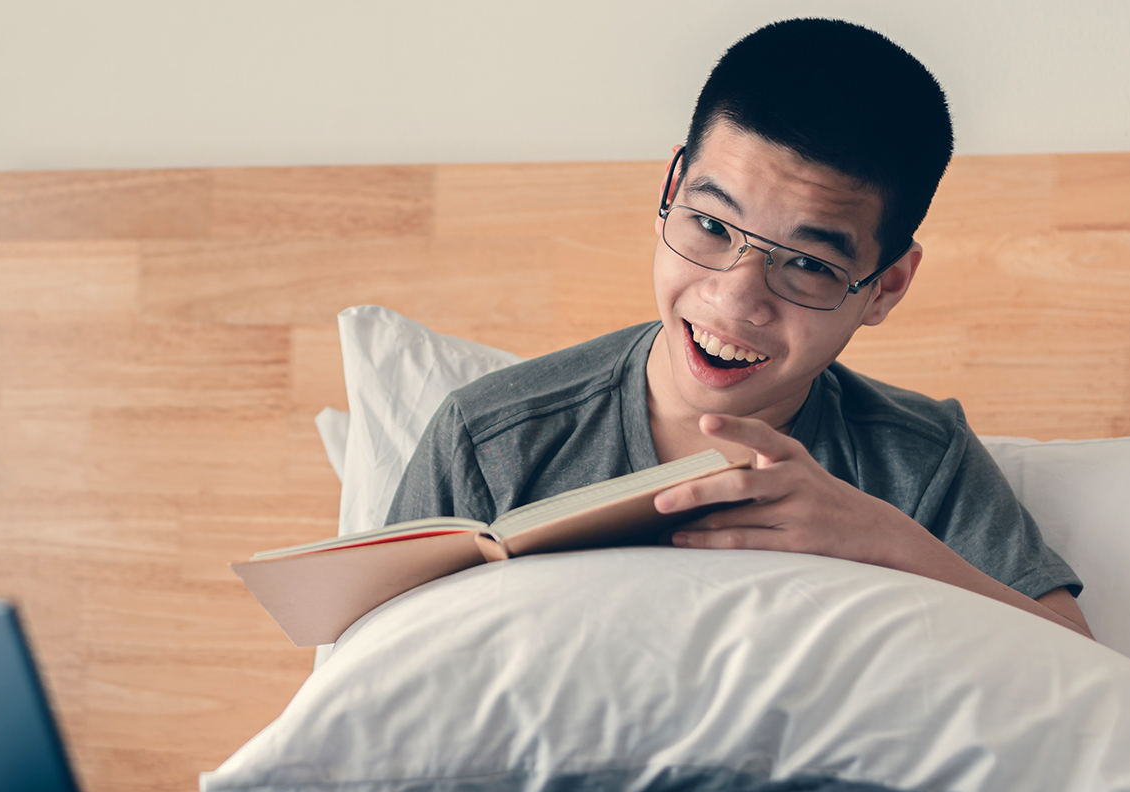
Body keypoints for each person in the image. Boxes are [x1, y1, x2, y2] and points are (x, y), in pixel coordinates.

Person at [386, 17, 1090, 638]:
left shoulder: (919, 462)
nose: (736, 299)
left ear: (886, 286)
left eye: (809, 265)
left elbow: (1090, 683)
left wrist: (883, 540)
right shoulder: (489, 439)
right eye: (712, 225)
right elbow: (365, 695)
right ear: (671, 189)